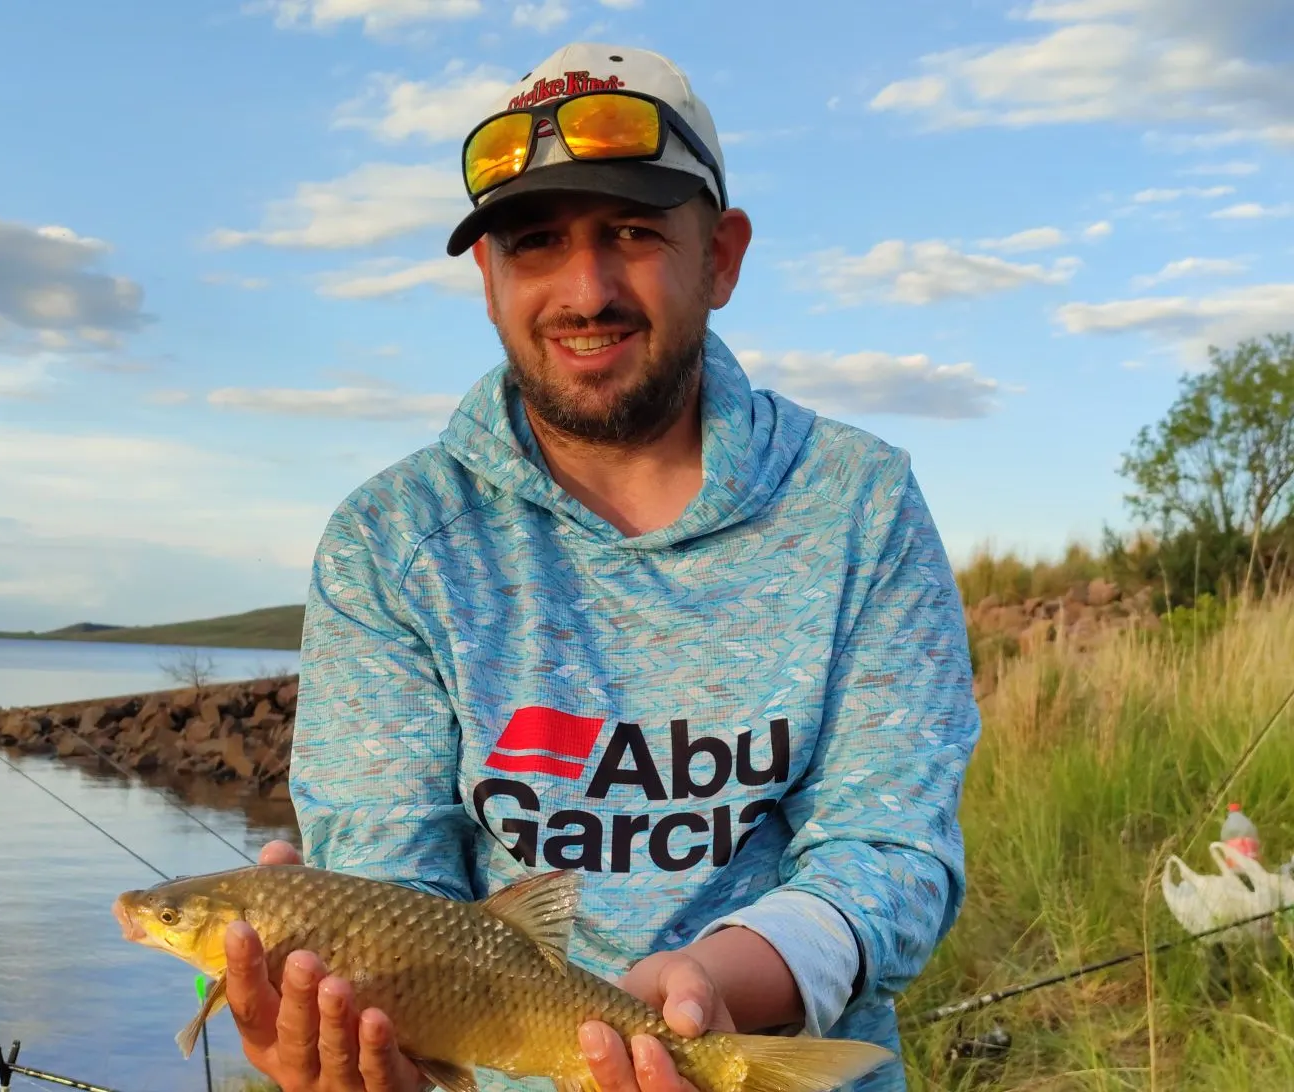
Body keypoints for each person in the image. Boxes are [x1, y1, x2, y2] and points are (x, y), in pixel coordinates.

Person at [219, 41, 980, 1092]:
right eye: (537, 244)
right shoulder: (389, 542)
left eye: (632, 231)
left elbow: (890, 853)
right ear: (489, 281)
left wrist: (712, 986)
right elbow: (389, 884)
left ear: (720, 256)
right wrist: (363, 1053)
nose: (587, 290)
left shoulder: (861, 504)